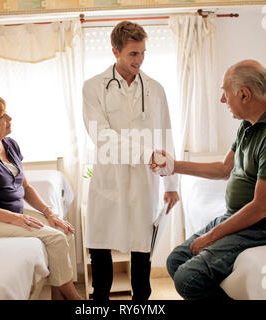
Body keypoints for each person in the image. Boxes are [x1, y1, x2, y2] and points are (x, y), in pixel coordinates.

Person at [152, 60, 266, 300]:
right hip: (241, 216)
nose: (222, 100)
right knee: (176, 259)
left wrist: (211, 237)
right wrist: (173, 166)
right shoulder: (249, 124)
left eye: (225, 92)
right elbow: (224, 169)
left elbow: (261, 208)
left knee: (188, 278)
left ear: (244, 94)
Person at [82, 21, 180, 301]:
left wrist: (171, 183)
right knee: (101, 250)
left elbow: (165, 135)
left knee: (141, 249)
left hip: (144, 180)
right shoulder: (93, 88)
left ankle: (141, 303)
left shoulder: (155, 89)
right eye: (132, 54)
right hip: (109, 178)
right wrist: (145, 154)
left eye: (143, 53)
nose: (139, 60)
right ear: (115, 51)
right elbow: (101, 136)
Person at [0, 96, 81, 300]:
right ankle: (75, 299)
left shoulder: (10, 145)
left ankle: (57, 297)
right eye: (2, 116)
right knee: (55, 238)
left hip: (12, 214)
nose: (9, 118)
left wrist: (49, 213)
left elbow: (26, 187)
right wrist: (15, 218)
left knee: (64, 230)